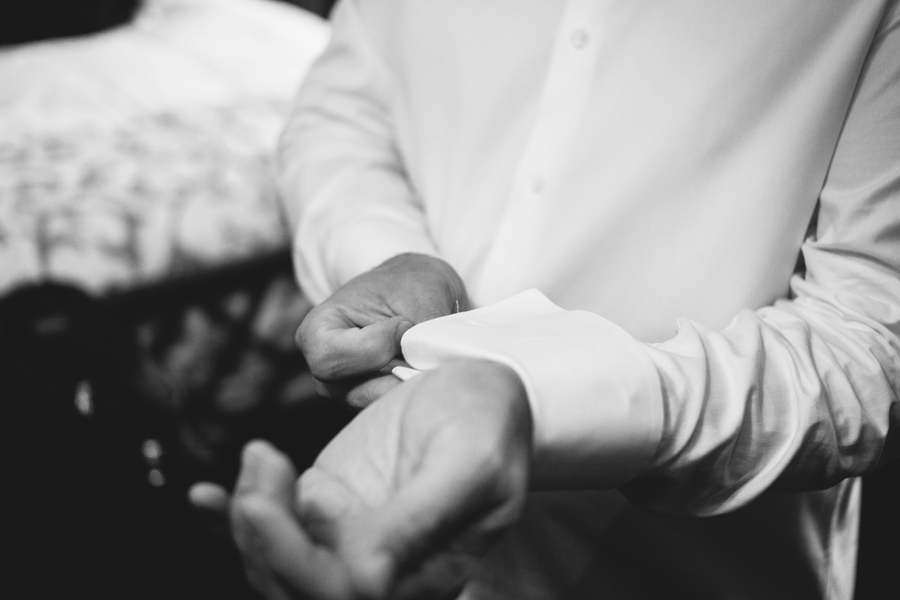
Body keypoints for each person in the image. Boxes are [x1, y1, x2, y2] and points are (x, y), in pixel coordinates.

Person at [190, 0, 900, 598]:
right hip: (381, 507)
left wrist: (544, 405)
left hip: (698, 571)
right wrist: (383, 252)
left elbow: (863, 343)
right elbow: (342, 110)